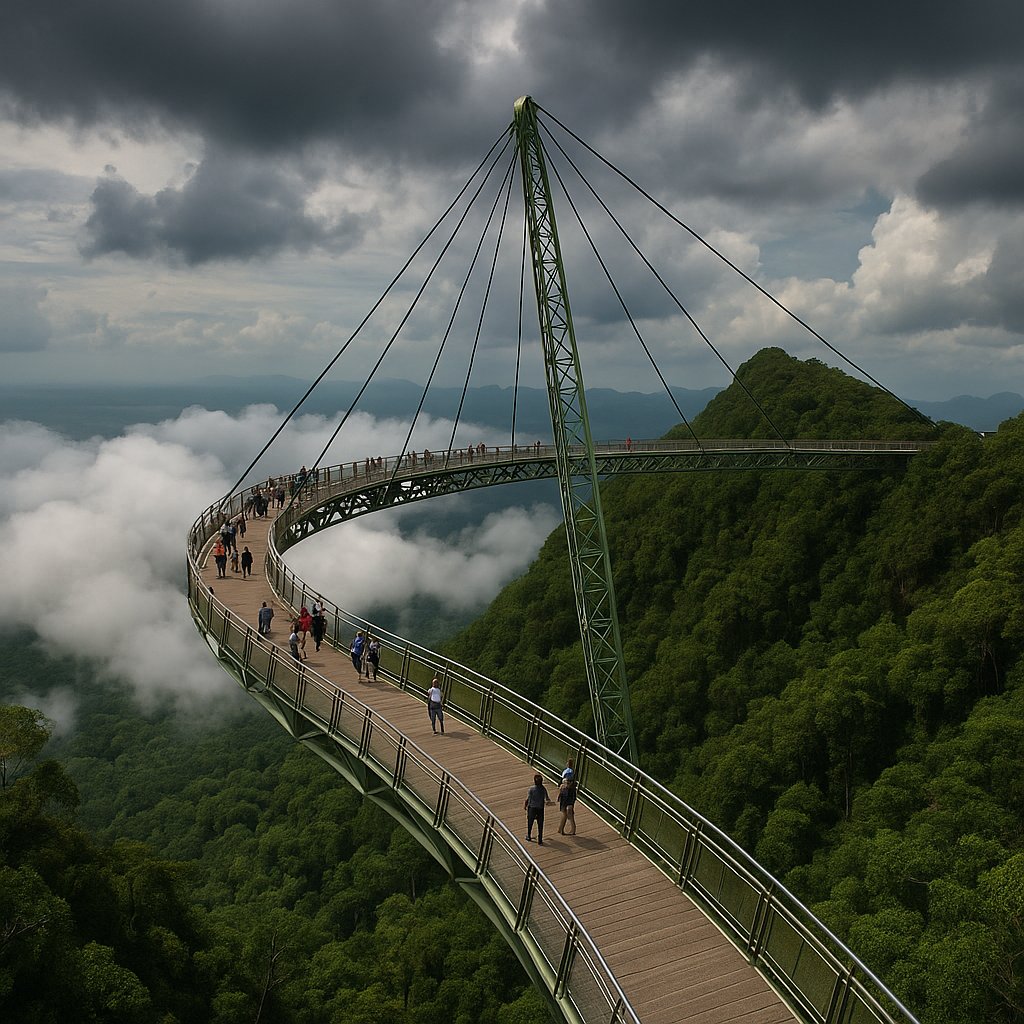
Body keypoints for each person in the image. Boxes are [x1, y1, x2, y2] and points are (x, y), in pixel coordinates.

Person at [524, 773, 552, 845]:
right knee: (540, 824)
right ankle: (540, 839)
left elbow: (528, 799)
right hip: (540, 808)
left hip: (532, 808)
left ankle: (529, 835)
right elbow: (547, 798)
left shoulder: (531, 789)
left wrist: (525, 805)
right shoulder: (543, 789)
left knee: (530, 822)